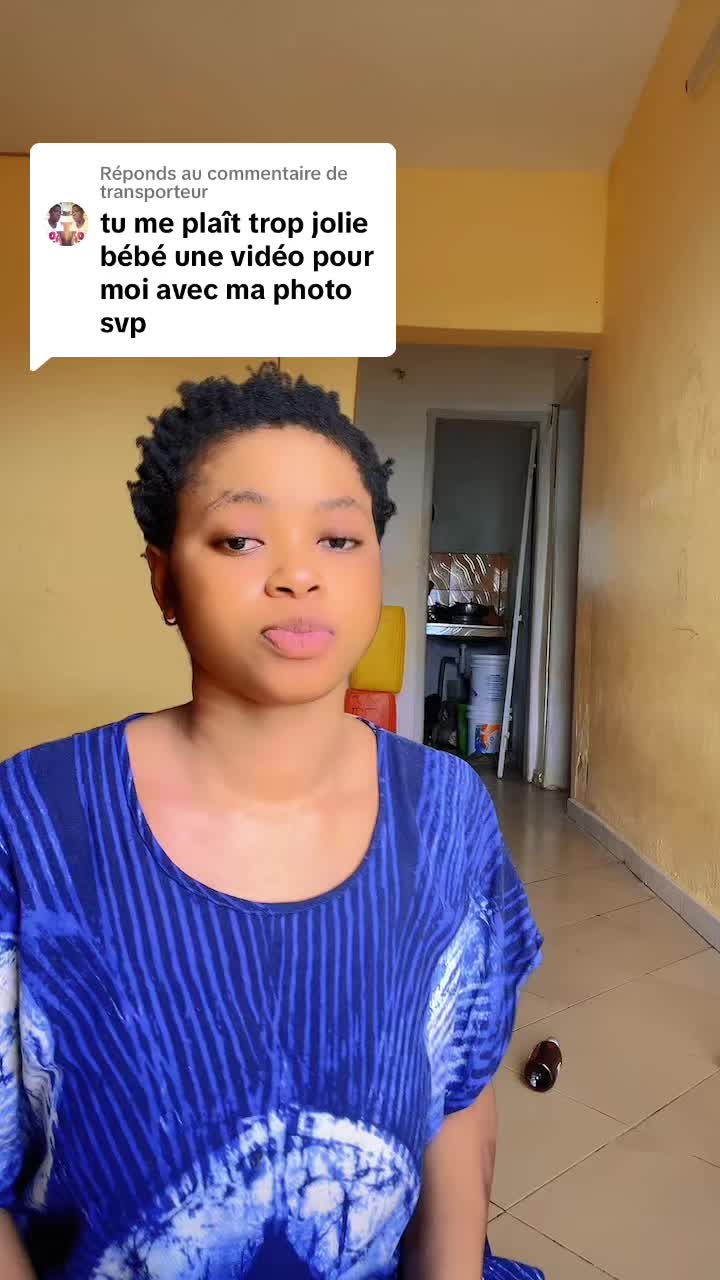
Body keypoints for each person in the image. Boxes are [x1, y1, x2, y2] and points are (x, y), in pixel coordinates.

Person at [0, 364, 544, 1280]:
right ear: (164, 580)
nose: (298, 575)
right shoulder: (31, 824)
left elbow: (458, 1094)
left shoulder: (449, 811)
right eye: (241, 539)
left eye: (339, 537)